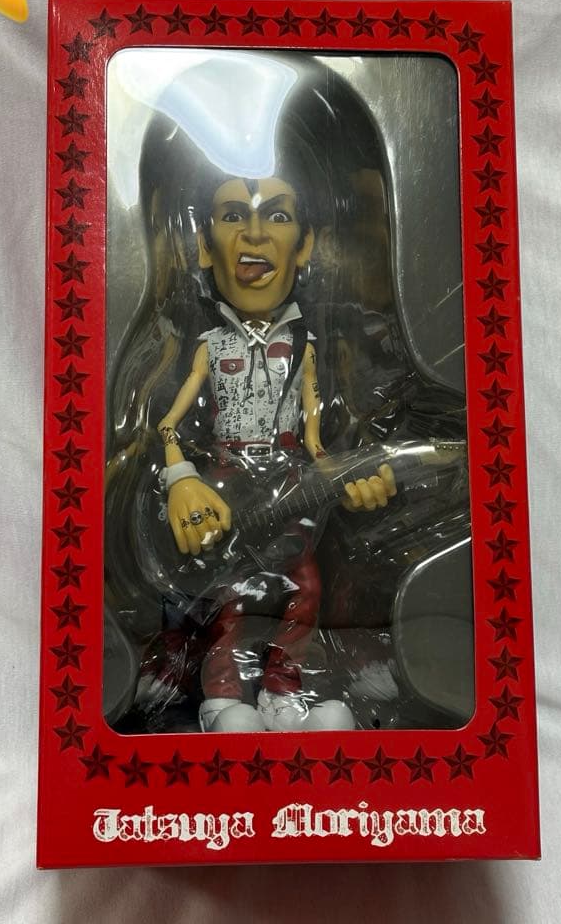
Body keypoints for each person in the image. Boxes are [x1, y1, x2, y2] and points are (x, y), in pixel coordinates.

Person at [156, 169, 395, 732]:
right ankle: (222, 693)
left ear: (305, 246)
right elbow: (167, 425)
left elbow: (316, 439)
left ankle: (283, 687)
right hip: (226, 479)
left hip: (288, 481)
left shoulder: (305, 346)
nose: (256, 234)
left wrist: (352, 479)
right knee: (229, 594)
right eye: (233, 215)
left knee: (304, 585)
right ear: (204, 245)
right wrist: (182, 479)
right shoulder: (209, 346)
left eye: (278, 216)